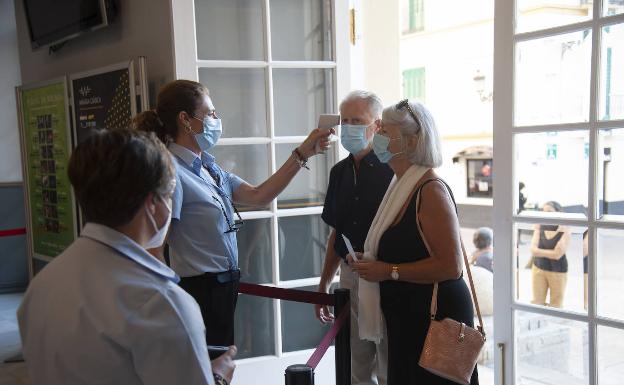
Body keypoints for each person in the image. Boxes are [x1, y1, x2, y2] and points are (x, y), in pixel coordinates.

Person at [17, 129, 236, 385]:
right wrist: (218, 377)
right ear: (152, 203)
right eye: (170, 194)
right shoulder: (161, 303)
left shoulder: (43, 284)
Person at [135, 80, 333, 346]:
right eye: (210, 113)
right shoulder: (173, 172)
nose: (217, 119)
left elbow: (258, 195)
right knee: (209, 369)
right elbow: (156, 245)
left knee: (221, 363)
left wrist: (302, 154)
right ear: (185, 119)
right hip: (199, 290)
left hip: (224, 286)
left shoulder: (209, 168)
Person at [350, 100, 479, 384]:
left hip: (435, 319)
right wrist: (368, 260)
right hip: (408, 319)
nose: (378, 134)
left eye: (385, 130)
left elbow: (451, 267)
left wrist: (388, 270)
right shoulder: (399, 184)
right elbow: (404, 249)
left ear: (410, 141)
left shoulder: (430, 190)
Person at [316, 90, 393, 385]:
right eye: (344, 120)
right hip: (350, 276)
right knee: (354, 363)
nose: (349, 127)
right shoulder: (339, 172)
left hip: (387, 277)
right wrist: (324, 284)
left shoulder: (394, 170)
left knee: (388, 361)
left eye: (357, 120)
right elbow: (336, 231)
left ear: (376, 125)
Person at [530, 201, 571, 308]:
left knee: (556, 305)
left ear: (558, 213)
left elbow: (557, 255)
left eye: (549, 211)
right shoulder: (539, 226)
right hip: (538, 268)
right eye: (544, 211)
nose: (545, 214)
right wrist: (551, 253)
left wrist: (540, 252)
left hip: (557, 271)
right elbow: (533, 250)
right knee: (537, 302)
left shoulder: (565, 229)